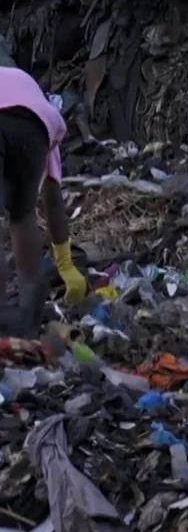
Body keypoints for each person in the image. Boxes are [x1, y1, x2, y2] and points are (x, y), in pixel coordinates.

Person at [0, 64, 87, 336]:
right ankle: (28, 314)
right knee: (22, 214)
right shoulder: (39, 106)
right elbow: (53, 198)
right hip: (35, 134)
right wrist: (66, 264)